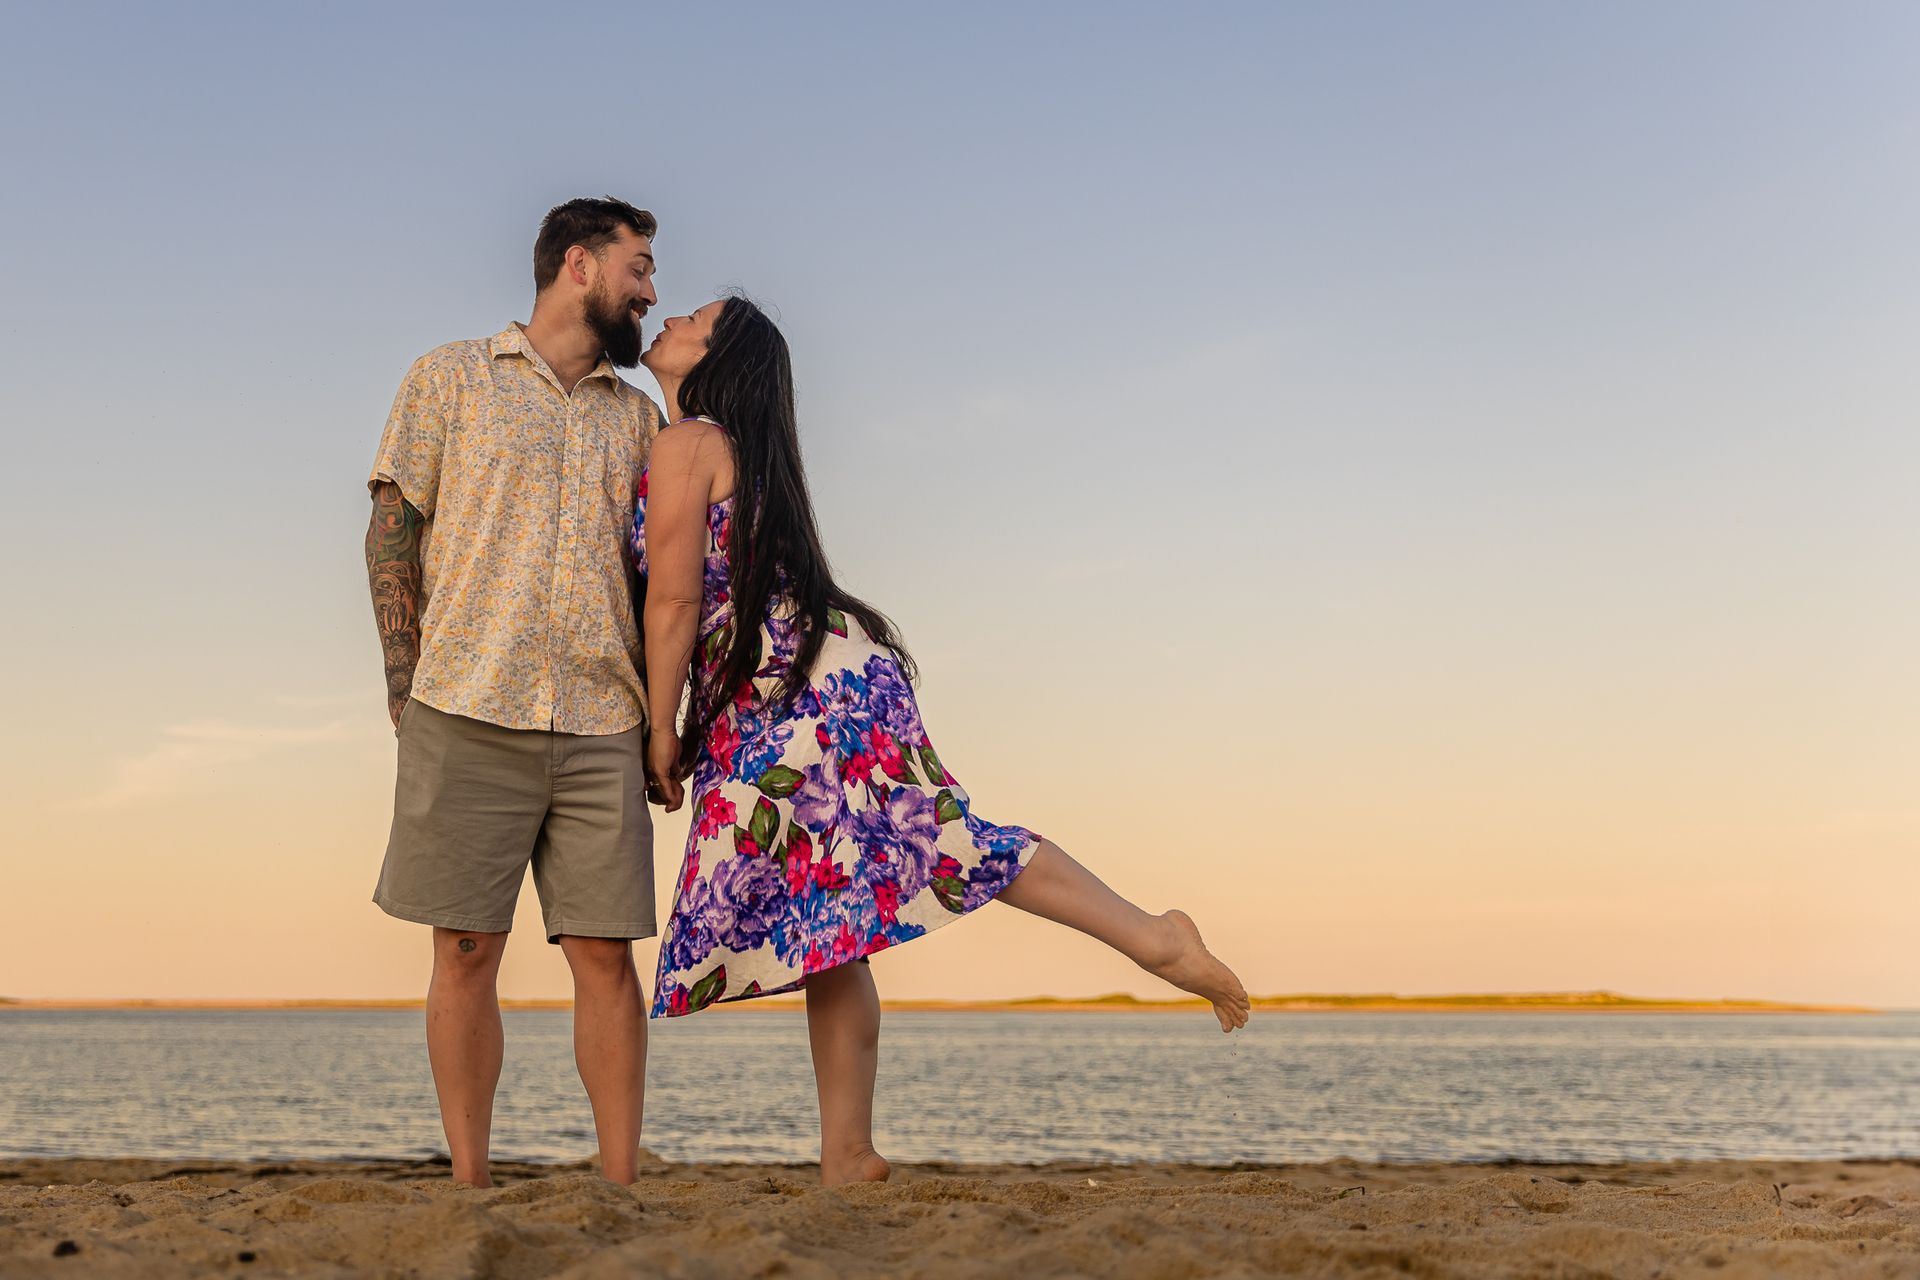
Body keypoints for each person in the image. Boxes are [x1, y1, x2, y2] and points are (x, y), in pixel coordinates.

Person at [632, 295, 1251, 1186]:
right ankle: (849, 1153)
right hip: (814, 674)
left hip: (799, 688)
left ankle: (1156, 938)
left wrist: (663, 727)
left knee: (937, 850)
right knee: (836, 916)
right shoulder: (734, 450)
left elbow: (675, 599)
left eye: (693, 317)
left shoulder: (688, 442)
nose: (670, 318)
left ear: (721, 358)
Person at [363, 197, 664, 1186]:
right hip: (466, 706)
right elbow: (392, 527)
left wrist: (666, 722)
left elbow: (664, 582)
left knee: (607, 958)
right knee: (463, 952)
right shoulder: (448, 376)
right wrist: (404, 683)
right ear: (579, 264)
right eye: (638, 267)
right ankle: (469, 1183)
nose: (649, 291)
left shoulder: (641, 418)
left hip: (603, 721)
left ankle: (620, 1184)